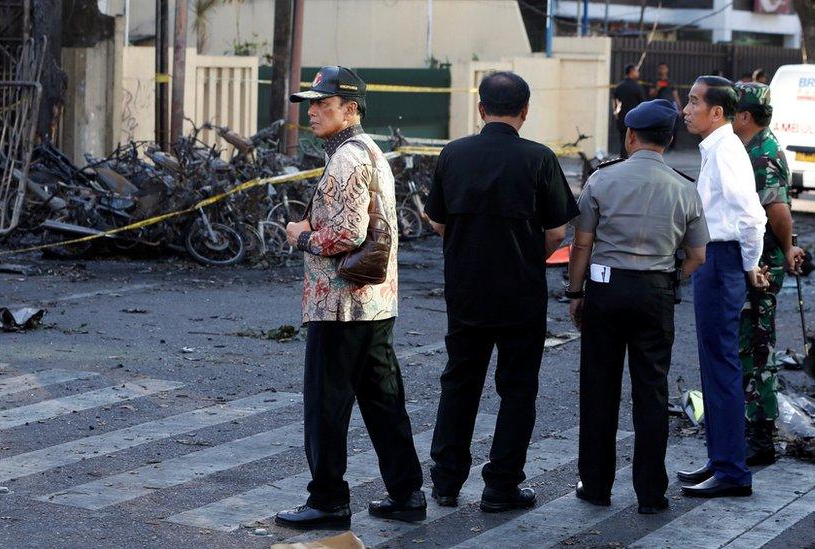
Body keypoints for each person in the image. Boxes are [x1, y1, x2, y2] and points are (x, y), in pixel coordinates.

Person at [278, 66, 425, 529]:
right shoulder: (369, 150)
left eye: (324, 103)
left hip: (340, 304)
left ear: (351, 108)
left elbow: (345, 233)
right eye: (312, 104)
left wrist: (300, 236)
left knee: (326, 403)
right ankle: (406, 493)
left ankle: (327, 501)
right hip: (376, 303)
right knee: (383, 400)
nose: (314, 111)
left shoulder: (346, 158)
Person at [425, 71, 578, 513]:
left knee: (459, 383)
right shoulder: (539, 159)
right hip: (520, 293)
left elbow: (438, 222)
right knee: (517, 390)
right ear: (525, 111)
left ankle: (446, 482)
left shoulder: (453, 154)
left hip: (466, 290)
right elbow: (556, 233)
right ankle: (501, 486)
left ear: (480, 108)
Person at [567, 99, 709, 514]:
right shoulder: (684, 186)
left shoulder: (601, 180)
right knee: (651, 391)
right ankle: (651, 493)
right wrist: (669, 279)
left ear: (630, 136)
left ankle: (595, 485)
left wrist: (576, 294)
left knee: (599, 389)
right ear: (669, 140)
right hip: (655, 292)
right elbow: (697, 255)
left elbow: (581, 243)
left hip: (605, 290)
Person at [677, 75, 768, 498]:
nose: (686, 109)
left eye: (694, 102)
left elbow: (752, 216)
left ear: (717, 112)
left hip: (724, 259)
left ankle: (732, 471)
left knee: (722, 366)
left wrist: (749, 265)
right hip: (717, 260)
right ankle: (720, 461)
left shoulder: (727, 150)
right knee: (713, 366)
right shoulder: (716, 148)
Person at [731, 82, 806, 465]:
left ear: (744, 116)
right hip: (758, 257)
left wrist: (788, 245)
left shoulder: (762, 154)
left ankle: (760, 435)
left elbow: (777, 211)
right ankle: (751, 425)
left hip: (762, 262)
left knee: (756, 346)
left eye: (732, 111)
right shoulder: (754, 147)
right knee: (750, 342)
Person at [612, 64, 646, 158]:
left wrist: (616, 114)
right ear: (632, 72)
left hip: (622, 119)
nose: (638, 72)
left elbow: (614, 102)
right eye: (636, 71)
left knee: (623, 142)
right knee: (634, 143)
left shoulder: (619, 87)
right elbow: (642, 104)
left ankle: (622, 161)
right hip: (634, 120)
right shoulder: (637, 87)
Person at [649, 62, 683, 150]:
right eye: (660, 68)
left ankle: (672, 146)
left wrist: (679, 106)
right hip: (658, 106)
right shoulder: (654, 81)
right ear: (658, 69)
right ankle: (658, 145)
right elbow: (651, 94)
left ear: (667, 70)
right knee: (658, 126)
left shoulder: (670, 81)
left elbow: (675, 95)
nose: (662, 70)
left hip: (670, 106)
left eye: (664, 68)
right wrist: (657, 88)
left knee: (673, 126)